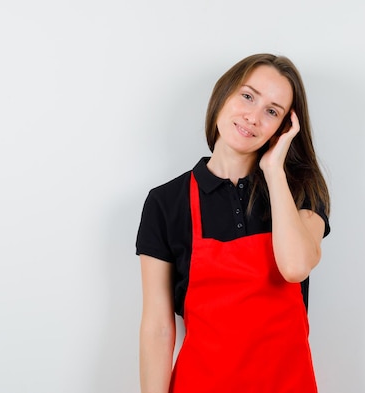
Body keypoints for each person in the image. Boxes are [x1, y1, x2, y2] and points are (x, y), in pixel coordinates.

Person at [135, 53, 331, 393]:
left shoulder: (300, 190)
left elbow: (296, 266)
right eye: (247, 96)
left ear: (285, 127)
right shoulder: (165, 203)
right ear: (224, 94)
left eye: (272, 111)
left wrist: (273, 172)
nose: (253, 117)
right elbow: (157, 327)